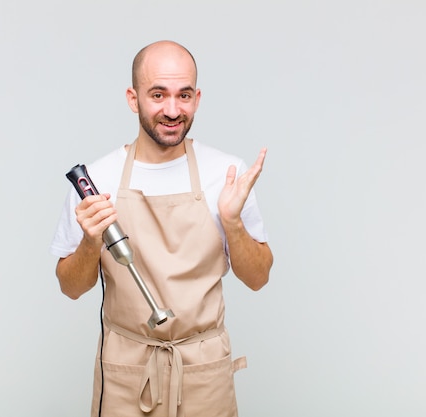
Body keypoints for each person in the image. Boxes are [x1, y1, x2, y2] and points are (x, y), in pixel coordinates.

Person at [50, 40, 273, 417]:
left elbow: (258, 278)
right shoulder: (96, 180)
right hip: (128, 373)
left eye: (183, 95)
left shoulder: (227, 173)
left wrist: (232, 223)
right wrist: (91, 242)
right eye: (158, 94)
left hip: (203, 372)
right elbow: (71, 288)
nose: (172, 110)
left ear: (197, 98)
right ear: (133, 98)